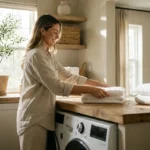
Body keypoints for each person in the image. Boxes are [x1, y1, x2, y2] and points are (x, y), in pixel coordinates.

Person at [17, 14, 109, 150]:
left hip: (42, 118)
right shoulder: (36, 55)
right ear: (42, 30)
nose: (57, 36)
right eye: (55, 32)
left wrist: (98, 84)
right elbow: (57, 87)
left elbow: (68, 76)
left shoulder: (47, 55)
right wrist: (90, 90)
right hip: (33, 120)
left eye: (58, 33)